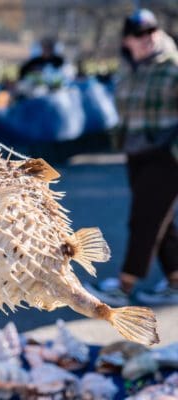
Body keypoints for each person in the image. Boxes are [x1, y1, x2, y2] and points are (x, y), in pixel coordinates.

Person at [87, 9, 178, 306]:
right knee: (159, 221)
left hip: (166, 154)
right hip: (136, 153)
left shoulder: (172, 65)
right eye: (139, 33)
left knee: (144, 220)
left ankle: (124, 286)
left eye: (152, 30)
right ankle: (176, 281)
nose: (148, 37)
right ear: (127, 40)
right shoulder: (129, 68)